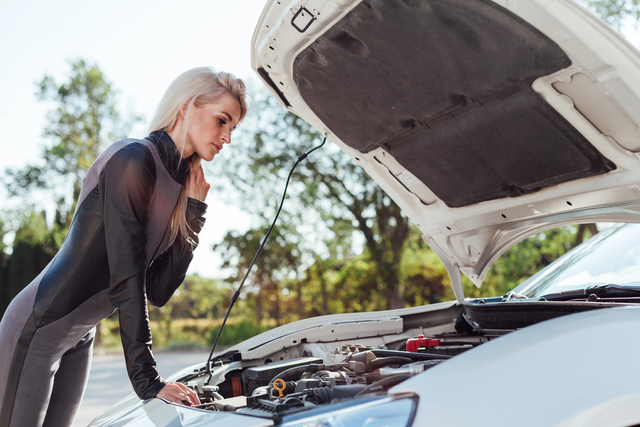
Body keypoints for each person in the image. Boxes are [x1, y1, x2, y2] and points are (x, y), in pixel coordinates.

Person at [0, 66, 247, 427]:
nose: (227, 137)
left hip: (82, 335)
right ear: (189, 106)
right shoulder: (133, 160)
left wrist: (194, 214)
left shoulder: (182, 188)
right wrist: (149, 383)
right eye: (222, 120)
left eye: (233, 128)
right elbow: (126, 280)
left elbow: (158, 290)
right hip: (37, 331)